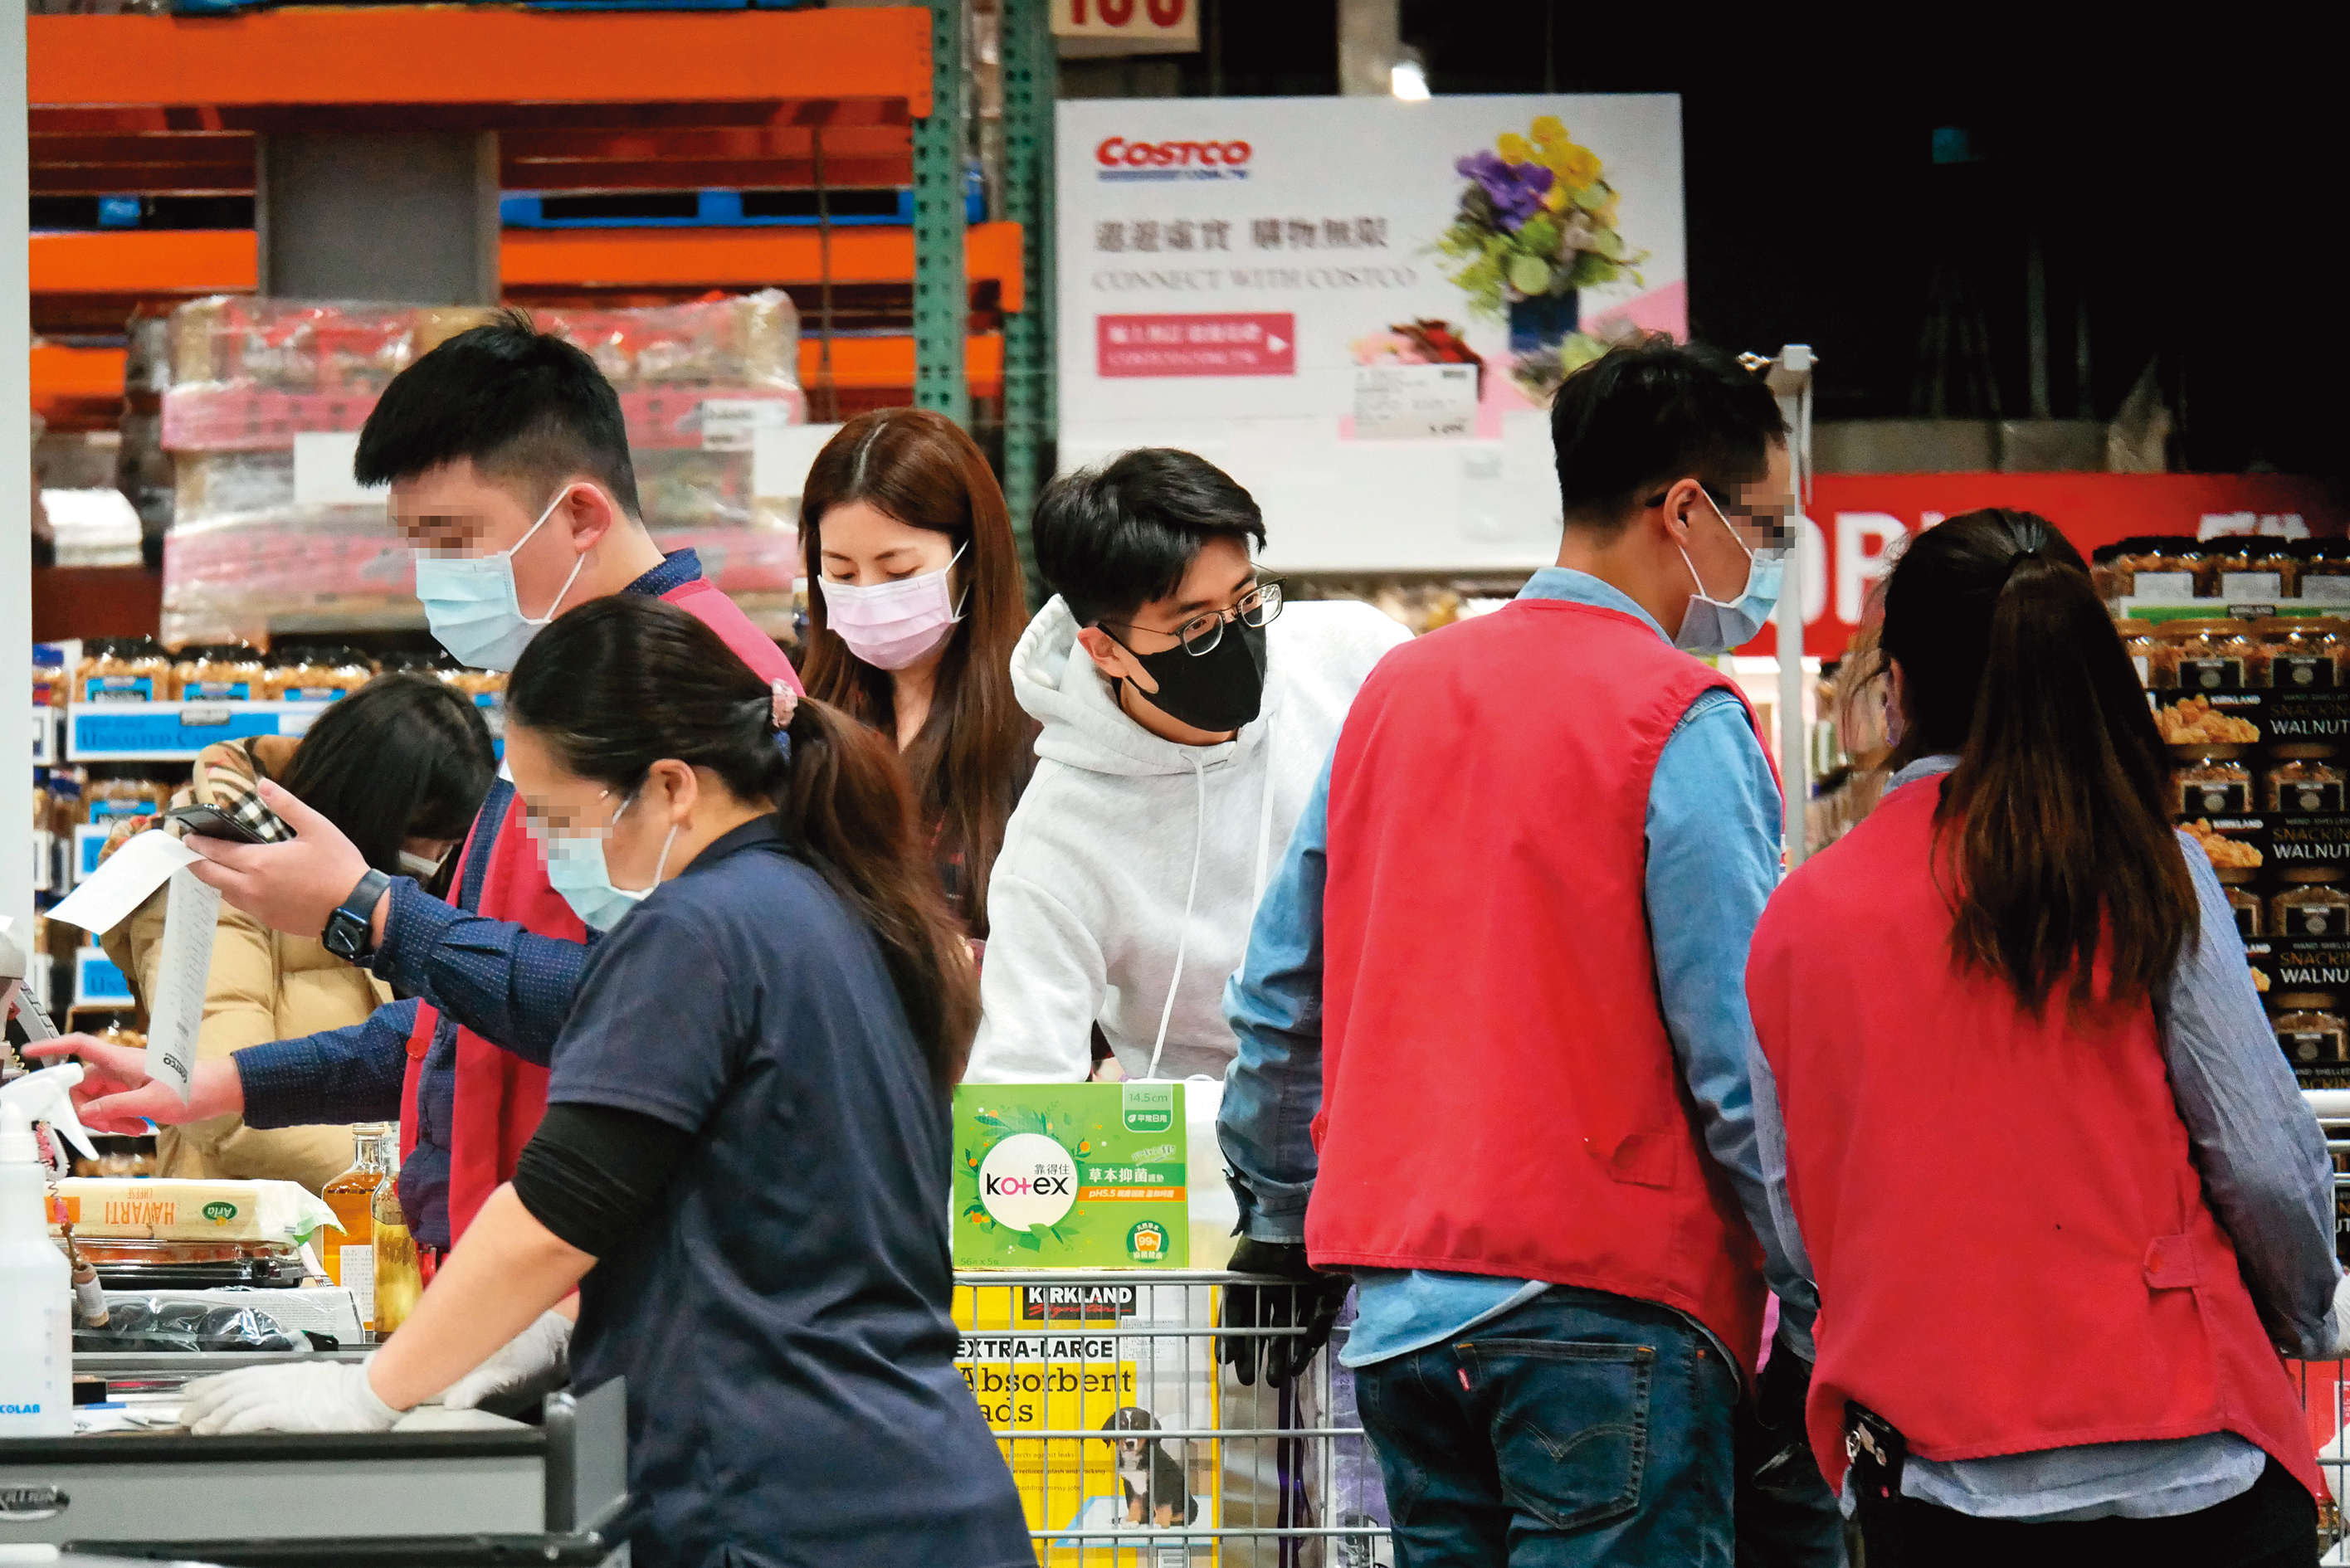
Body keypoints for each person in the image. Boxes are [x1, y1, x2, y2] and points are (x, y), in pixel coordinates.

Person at [64, 597, 1032, 1568]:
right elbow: (757, 1212)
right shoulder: (842, 907)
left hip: (785, 1500)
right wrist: (559, 1332)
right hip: (916, 1480)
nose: (550, 848)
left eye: (556, 817)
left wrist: (366, 1393)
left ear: (670, 787)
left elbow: (557, 1213)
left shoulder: (698, 934)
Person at [1216, 338, 1840, 1566]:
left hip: (1399, 1321)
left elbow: (1283, 994)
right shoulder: (1682, 718)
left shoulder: (1399, 693)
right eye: (1766, 525)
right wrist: (1815, 1303)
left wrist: (1281, 1214)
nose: (1770, 562)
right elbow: (1741, 1059)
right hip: (1608, 1315)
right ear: (1685, 510)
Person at [32, 313, 800, 1269]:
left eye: (456, 539)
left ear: (581, 517)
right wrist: (221, 1084)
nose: (436, 578)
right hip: (511, 1293)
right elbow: (458, 1020)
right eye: (419, 544)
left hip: (618, 1299)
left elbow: (647, 1008)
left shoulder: (704, 692)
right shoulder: (559, 705)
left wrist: (372, 912)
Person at [1745, 509, 2344, 1566]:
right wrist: (2305, 1314)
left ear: (1898, 691)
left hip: (1942, 1483)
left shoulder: (1801, 918)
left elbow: (1795, 1225)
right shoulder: (2150, 872)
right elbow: (2264, 1163)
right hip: (2192, 1468)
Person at [962, 447, 1409, 1083]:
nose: (1236, 636)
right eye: (1197, 628)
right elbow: (1022, 1072)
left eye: (1247, 602)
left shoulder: (1363, 663)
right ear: (1105, 649)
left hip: (1399, 1080)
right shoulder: (1060, 838)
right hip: (1200, 1141)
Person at [100, 674, 494, 1190]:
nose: (437, 859)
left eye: (451, 843)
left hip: (376, 1235)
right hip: (257, 1237)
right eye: (427, 838)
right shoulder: (210, 872)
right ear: (372, 809)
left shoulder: (398, 889)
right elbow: (217, 1103)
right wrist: (424, 1178)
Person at [798, 407, 1036, 936]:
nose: (867, 595)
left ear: (970, 558)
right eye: (840, 572)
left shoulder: (1041, 723)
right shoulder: (811, 712)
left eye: (898, 571)